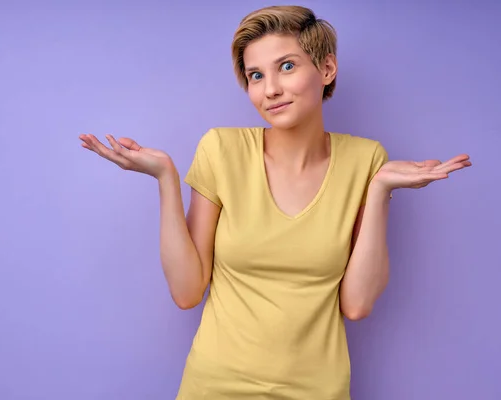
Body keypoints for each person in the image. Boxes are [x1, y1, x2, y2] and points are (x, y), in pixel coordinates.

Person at [79, 5, 471, 399]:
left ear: (327, 69)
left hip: (317, 390)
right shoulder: (221, 150)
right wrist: (165, 177)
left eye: (286, 66)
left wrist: (380, 190)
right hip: (215, 387)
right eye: (255, 75)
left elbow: (357, 305)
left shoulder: (366, 160)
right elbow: (187, 293)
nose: (270, 90)